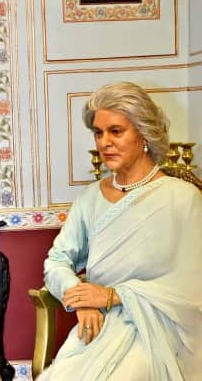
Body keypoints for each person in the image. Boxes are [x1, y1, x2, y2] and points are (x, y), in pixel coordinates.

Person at [39, 82, 202, 380]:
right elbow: (57, 262)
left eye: (116, 131)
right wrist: (82, 300)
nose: (105, 143)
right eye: (98, 133)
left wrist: (113, 296)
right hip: (98, 325)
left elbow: (193, 286)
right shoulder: (89, 198)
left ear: (144, 133)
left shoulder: (183, 198)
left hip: (160, 330)